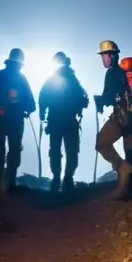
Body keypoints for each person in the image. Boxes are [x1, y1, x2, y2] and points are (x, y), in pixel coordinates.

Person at [93, 40, 132, 199]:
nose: (103, 59)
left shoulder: (111, 73)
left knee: (101, 143)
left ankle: (121, 168)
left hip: (121, 116)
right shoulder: (128, 73)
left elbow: (109, 97)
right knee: (130, 153)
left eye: (104, 55)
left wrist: (100, 101)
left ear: (110, 56)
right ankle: (131, 191)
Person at [0, 47, 36, 192]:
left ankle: (0, 178)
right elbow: (31, 104)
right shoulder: (21, 79)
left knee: (0, 148)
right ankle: (10, 181)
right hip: (16, 120)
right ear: (21, 63)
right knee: (14, 149)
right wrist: (25, 109)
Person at [38, 51, 89, 194]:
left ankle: (56, 179)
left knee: (55, 150)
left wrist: (42, 116)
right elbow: (84, 101)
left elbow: (42, 99)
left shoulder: (51, 80)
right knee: (72, 151)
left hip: (55, 121)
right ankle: (67, 180)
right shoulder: (74, 80)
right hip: (70, 121)